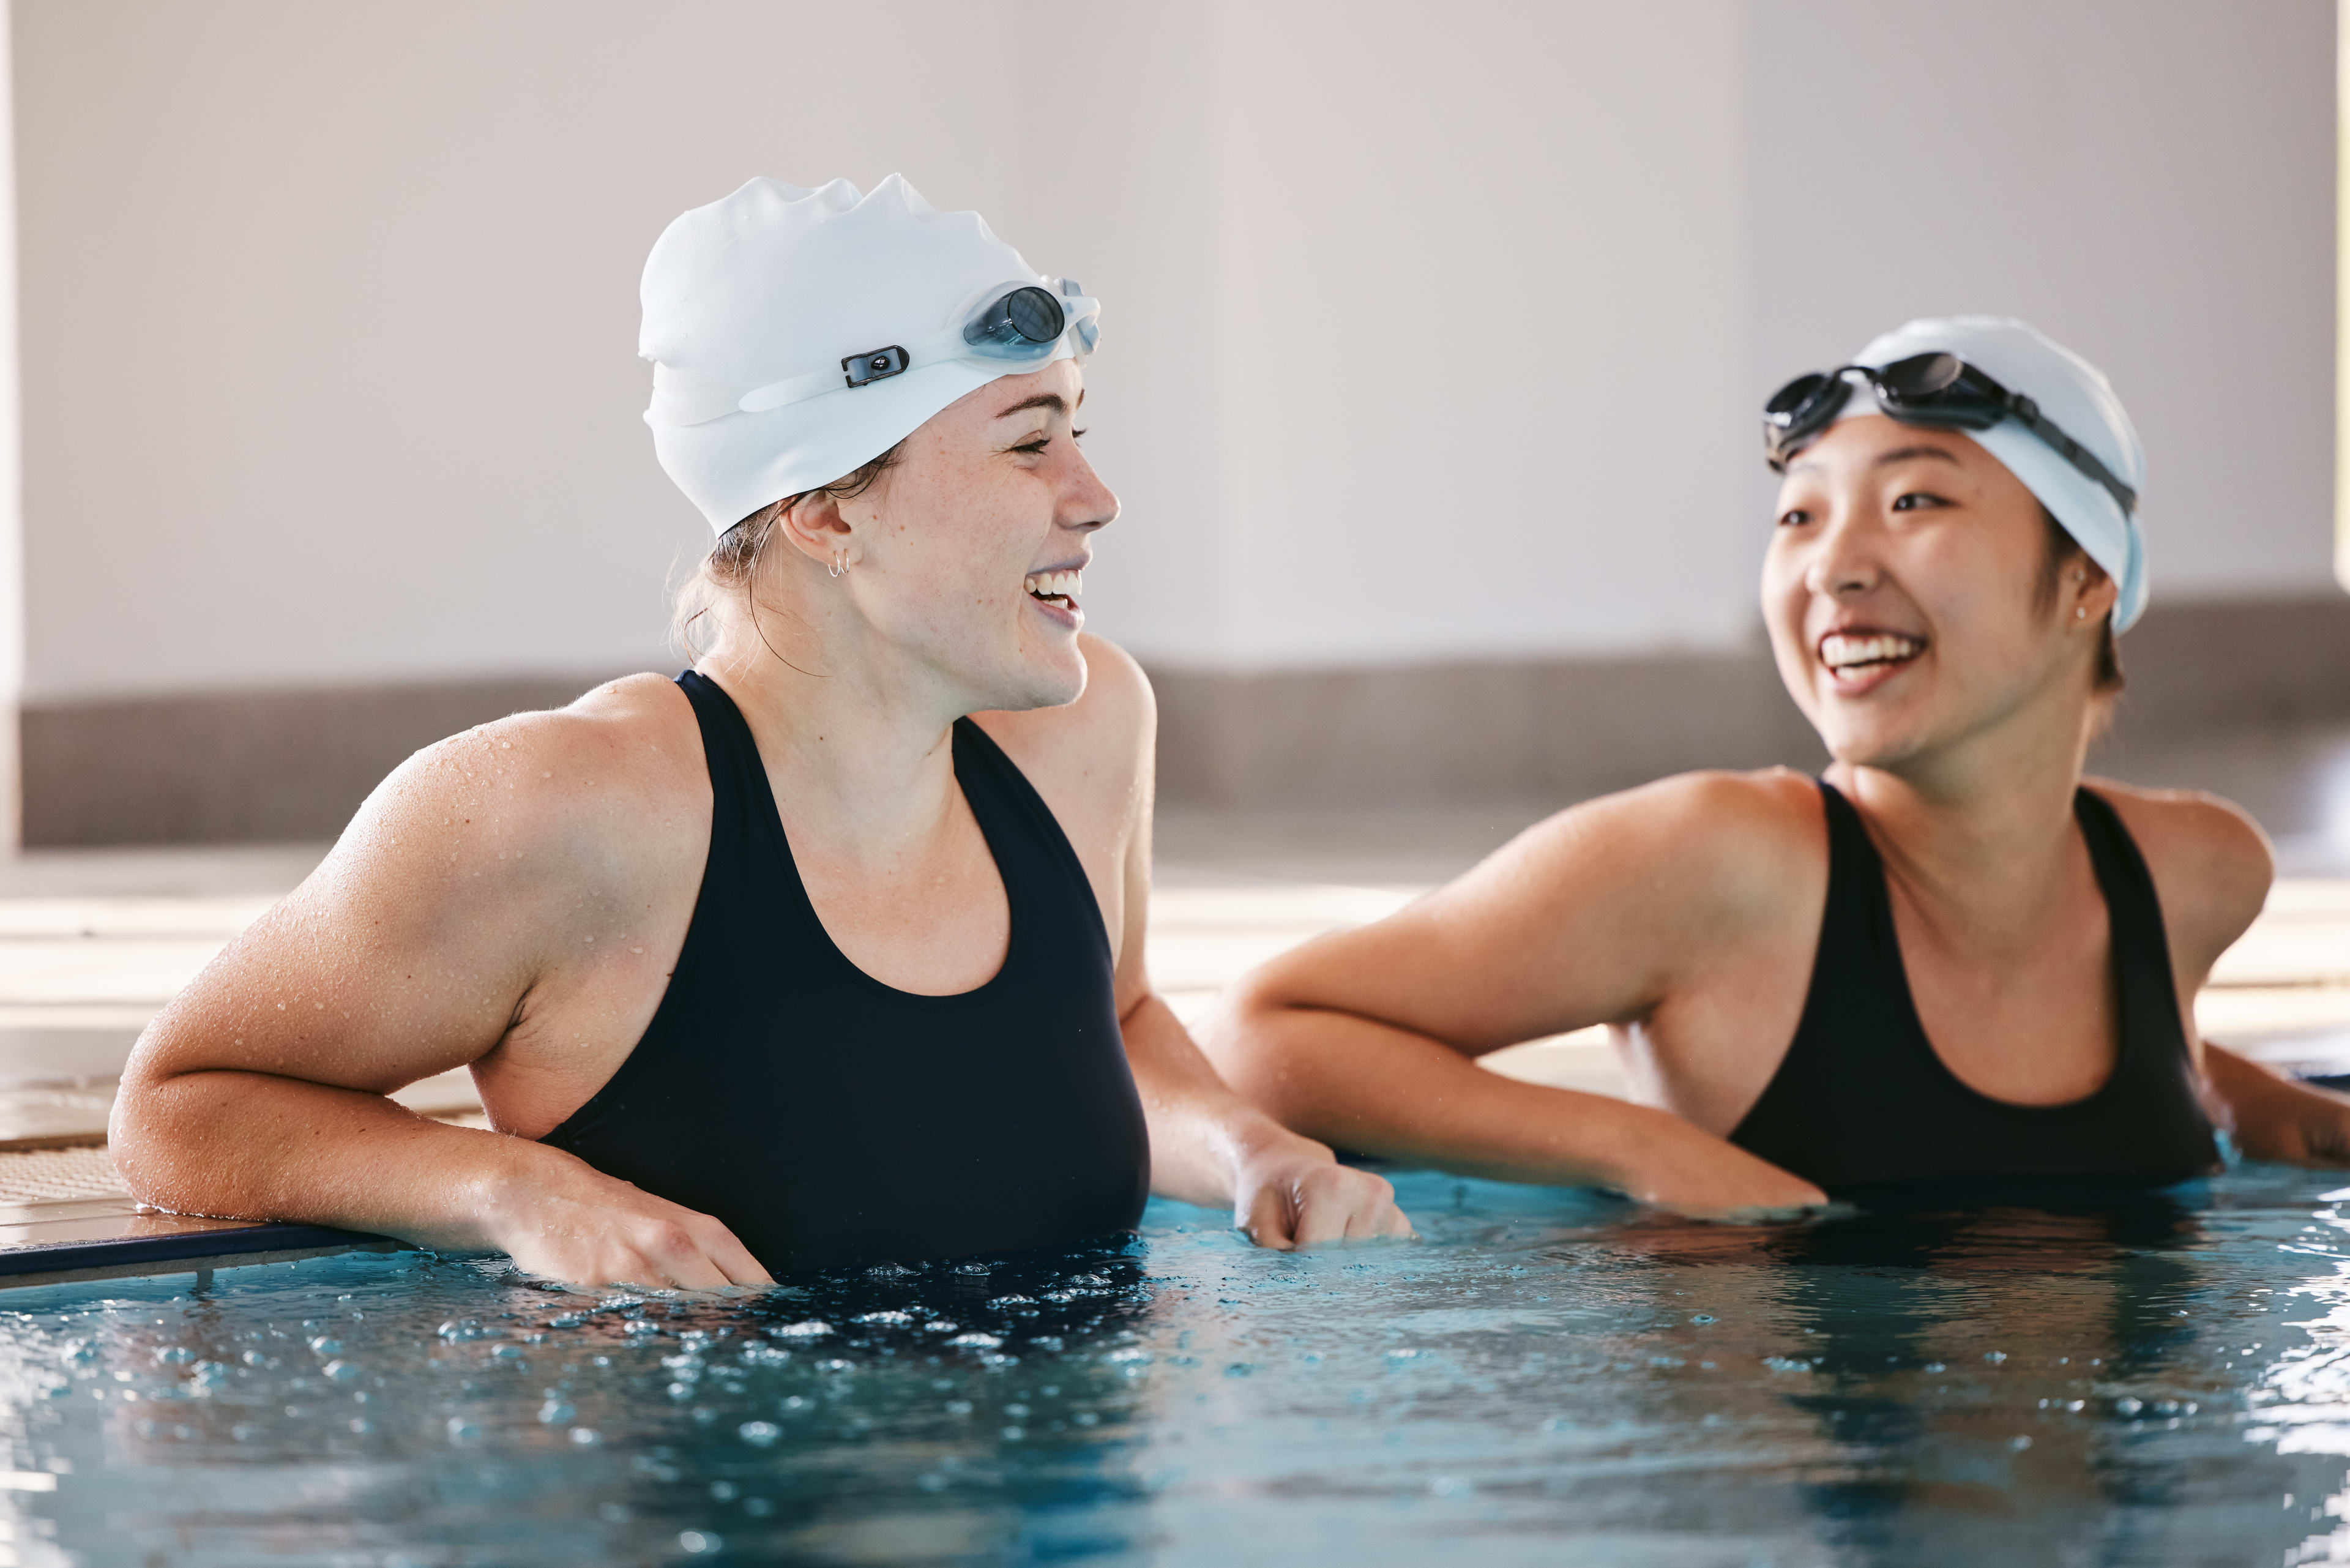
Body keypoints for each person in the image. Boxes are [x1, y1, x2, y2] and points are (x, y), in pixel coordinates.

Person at [110, 175, 1410, 1286]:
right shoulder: (558, 811)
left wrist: (1253, 1149)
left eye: (1081, 431)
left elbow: (1109, 1019)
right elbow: (178, 1110)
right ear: (827, 515)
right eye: (1030, 445)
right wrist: (512, 1193)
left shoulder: (1083, 733)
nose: (1097, 495)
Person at [1204, 316, 2350, 1212]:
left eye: (1914, 500)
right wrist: (1635, 1146)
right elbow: (1259, 1033)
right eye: (1798, 517)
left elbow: (2117, 1065)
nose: (1834, 568)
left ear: (2088, 581)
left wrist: (2267, 1110)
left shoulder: (2192, 873)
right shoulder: (1724, 865)